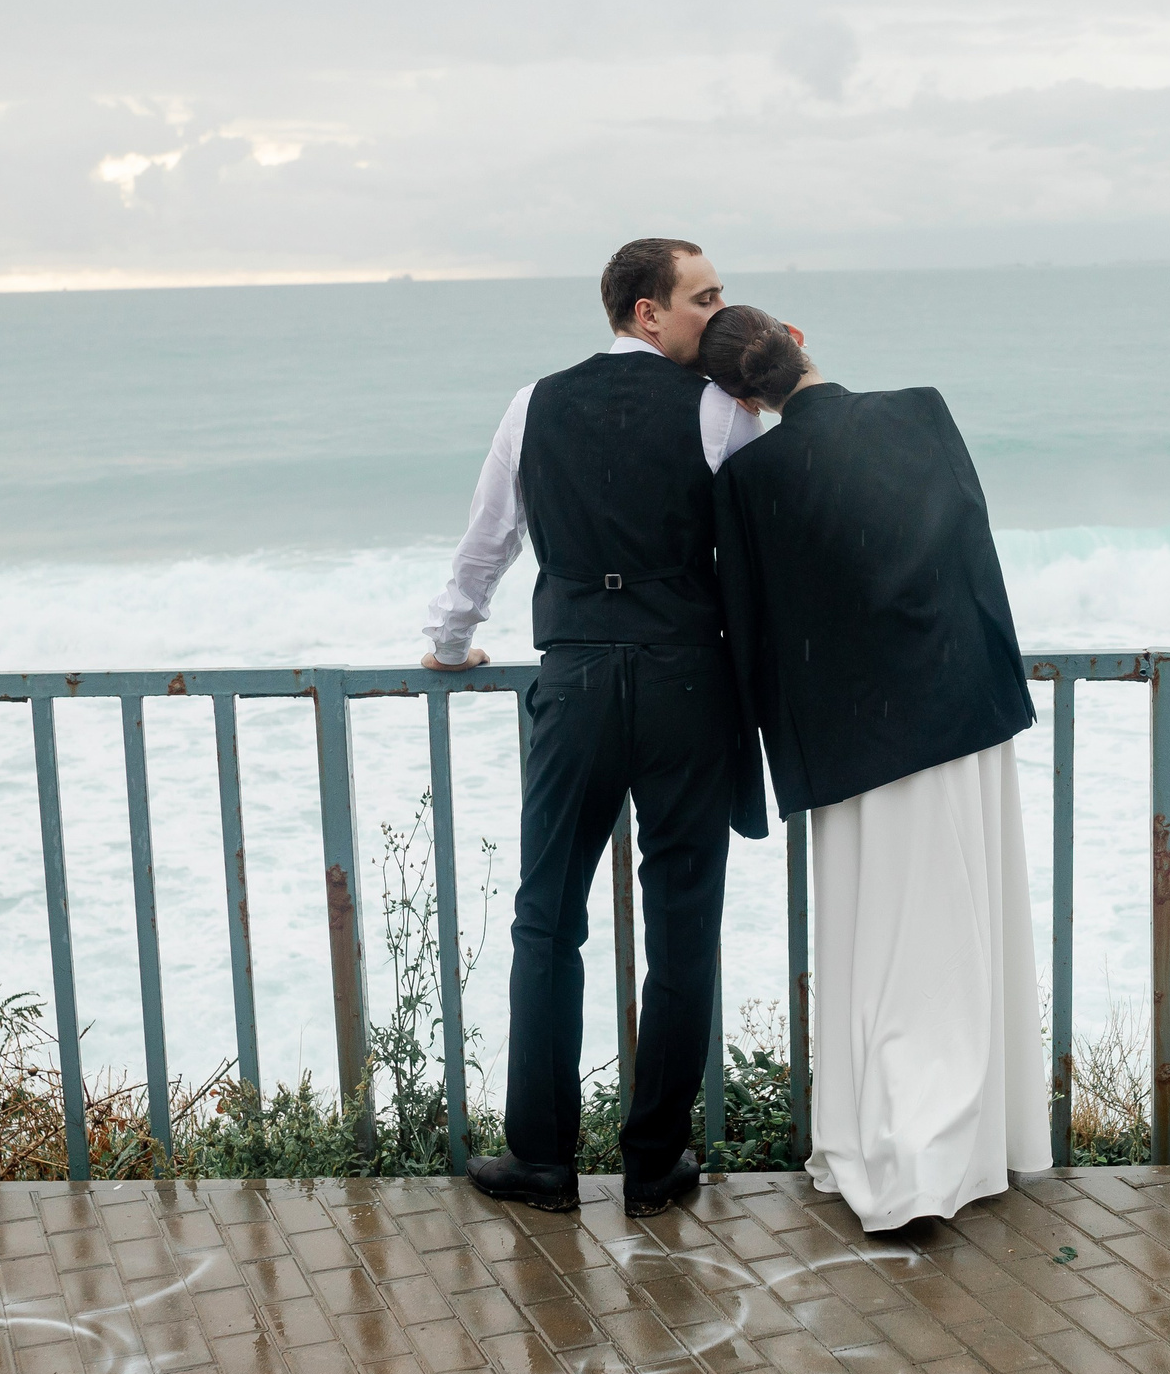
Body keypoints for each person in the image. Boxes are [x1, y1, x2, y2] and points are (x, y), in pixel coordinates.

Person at [423, 239, 768, 1218]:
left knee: (547, 921)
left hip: (573, 680)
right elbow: (765, 538)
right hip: (685, 683)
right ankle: (655, 1165)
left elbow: (487, 542)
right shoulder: (716, 408)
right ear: (646, 313)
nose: (717, 314)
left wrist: (450, 644)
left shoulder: (533, 404)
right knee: (683, 922)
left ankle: (541, 1159)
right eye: (702, 298)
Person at [701, 304, 1051, 1230]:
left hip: (858, 743)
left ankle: (906, 1160)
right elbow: (970, 547)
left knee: (887, 946)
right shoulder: (921, 410)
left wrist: (765, 760)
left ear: (739, 396)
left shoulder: (751, 477)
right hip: (966, 711)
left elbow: (754, 630)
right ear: (798, 338)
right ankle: (969, 1148)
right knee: (965, 931)